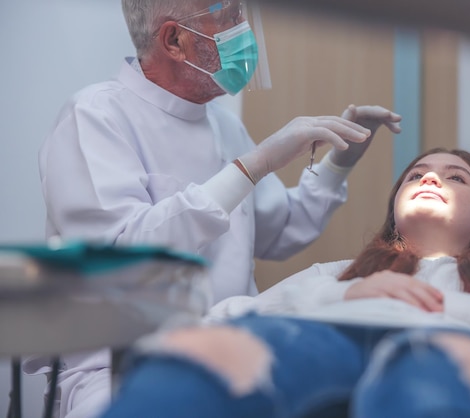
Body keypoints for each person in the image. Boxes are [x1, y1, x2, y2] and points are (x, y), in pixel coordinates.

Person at [32, 0, 402, 417]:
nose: (243, 28)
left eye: (243, 13)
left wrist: (339, 162)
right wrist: (252, 166)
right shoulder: (96, 115)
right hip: (122, 363)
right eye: (228, 15)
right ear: (174, 39)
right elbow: (120, 259)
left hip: (235, 344)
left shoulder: (224, 125)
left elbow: (280, 230)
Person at [96, 148, 470, 418]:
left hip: (459, 350)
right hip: (331, 337)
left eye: (455, 176)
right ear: (396, 215)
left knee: (433, 377)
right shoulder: (336, 275)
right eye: (416, 175)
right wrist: (338, 298)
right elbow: (222, 321)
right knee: (201, 368)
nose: (431, 179)